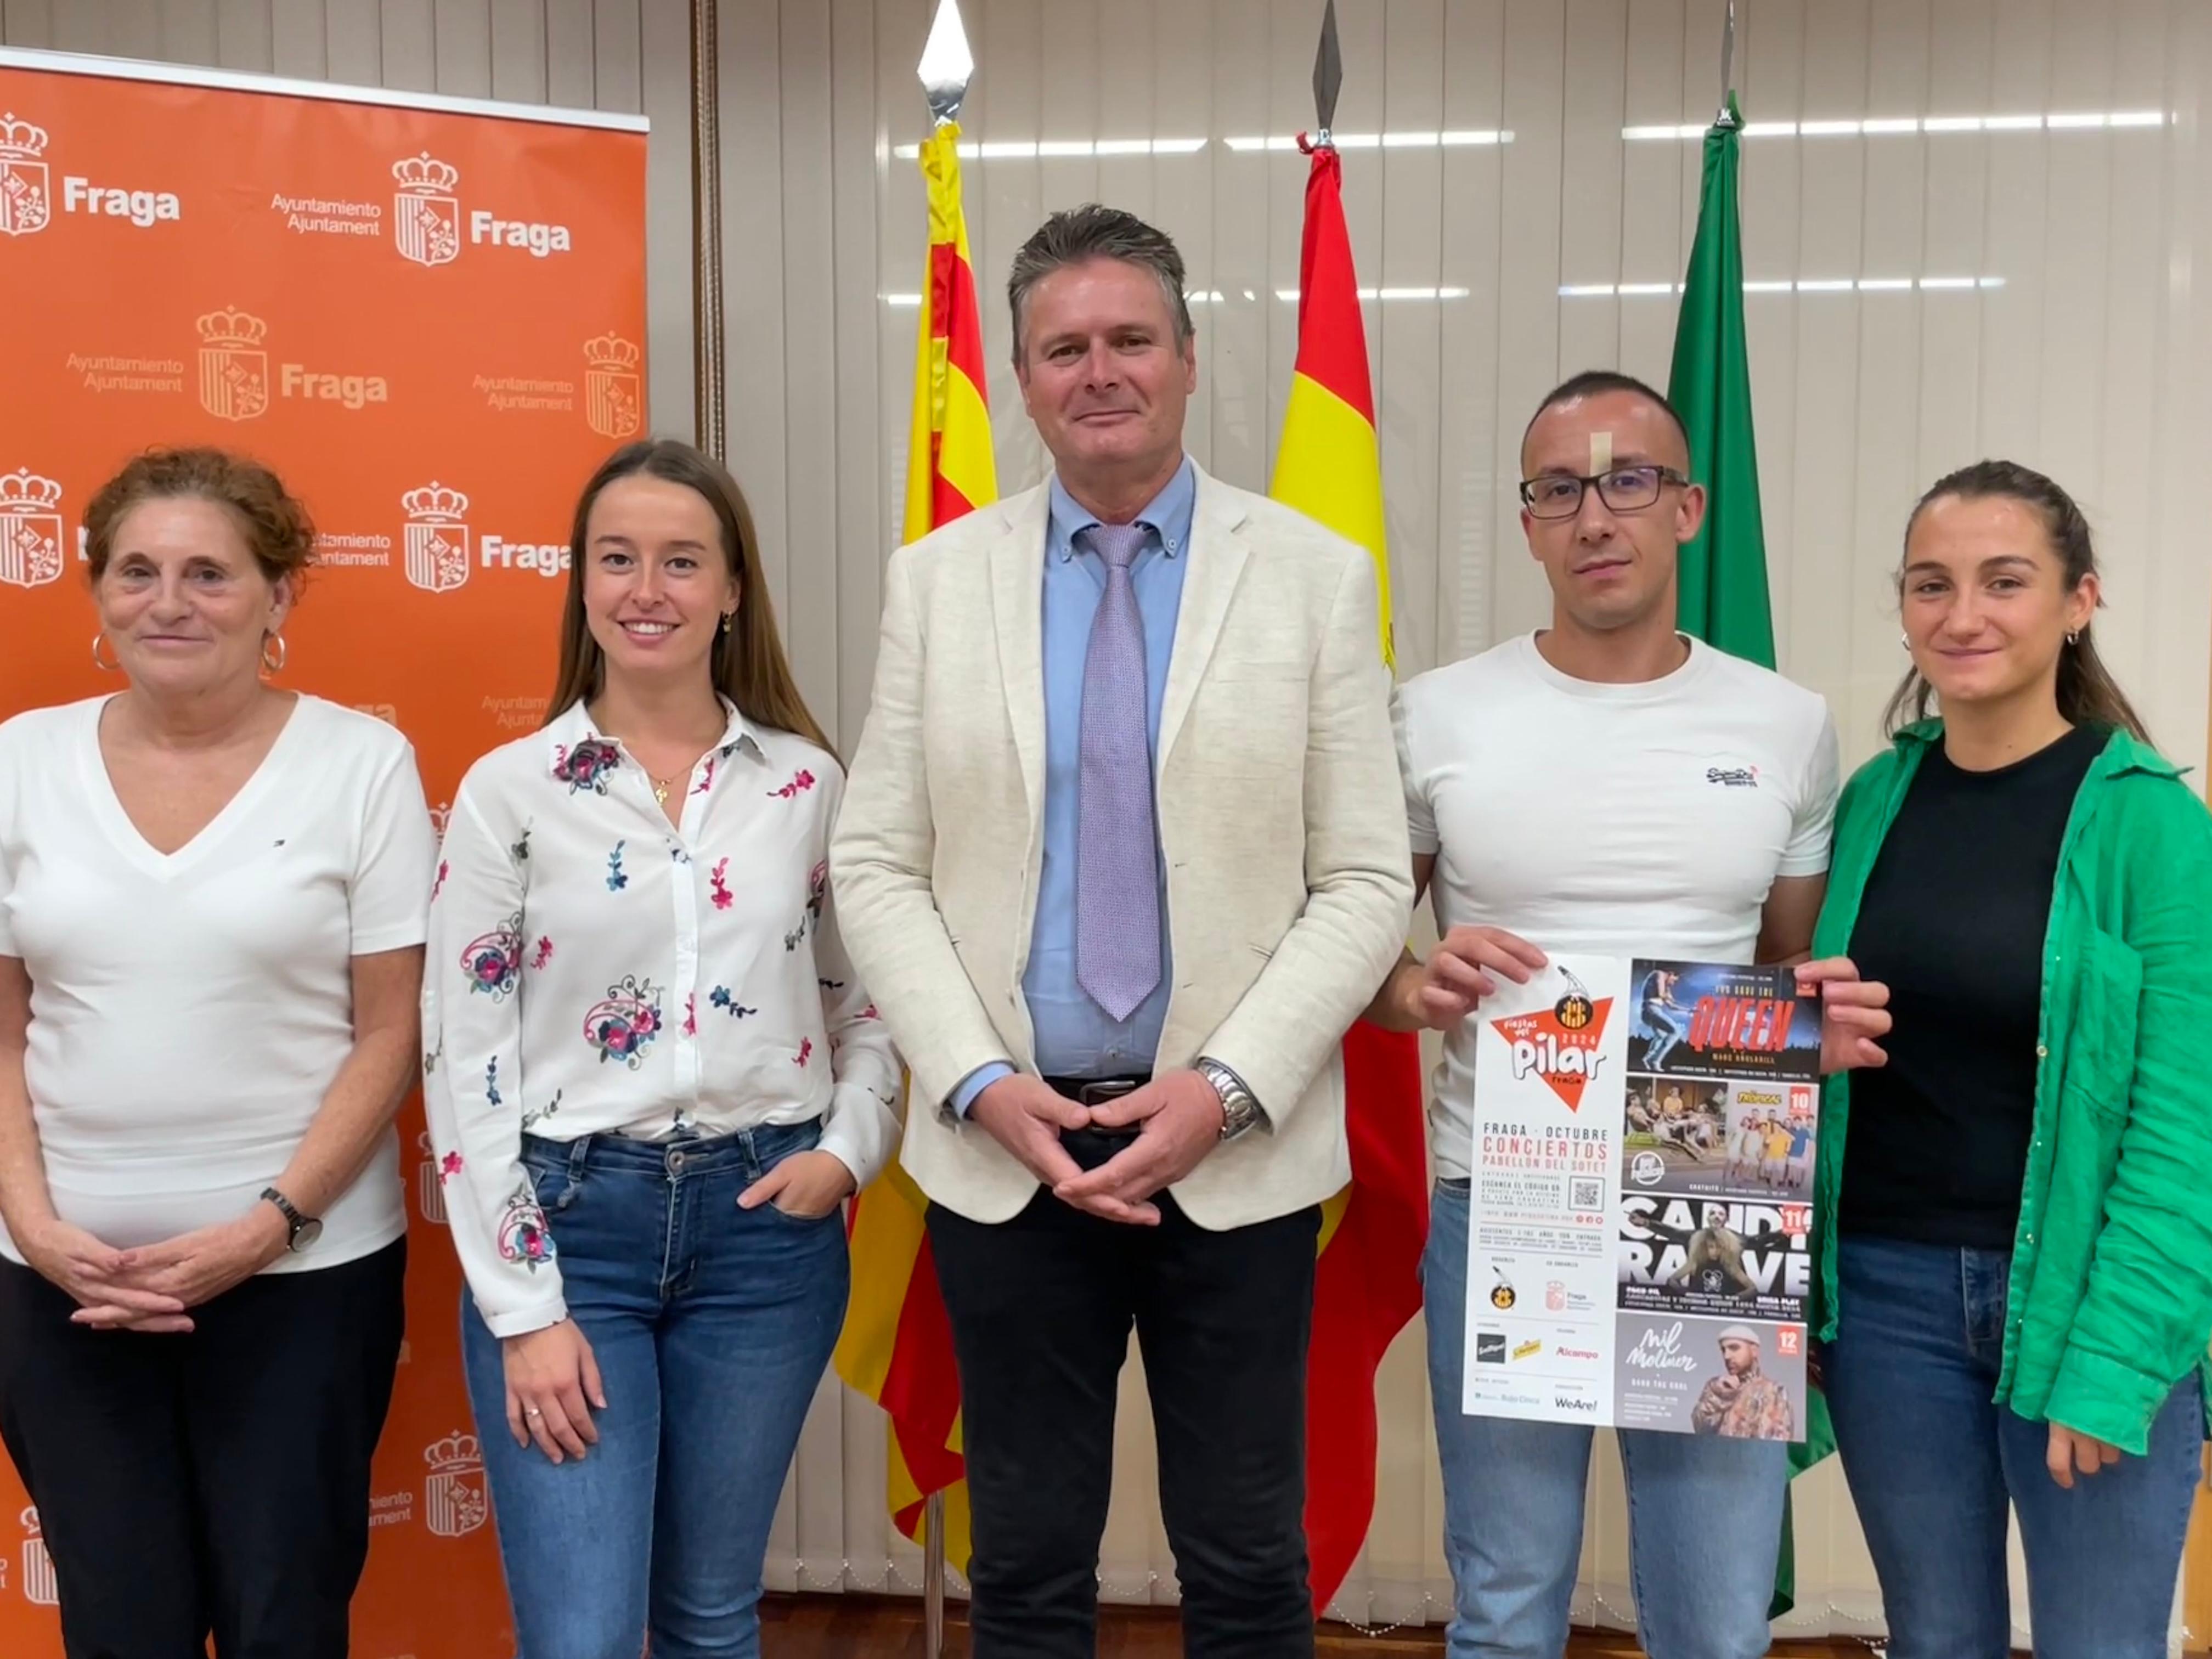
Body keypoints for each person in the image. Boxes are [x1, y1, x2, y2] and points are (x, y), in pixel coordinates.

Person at [830, 204, 1412, 1658]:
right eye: (1064, 347)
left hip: (1238, 1145)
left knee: (1244, 1561)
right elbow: (878, 860)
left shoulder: (1312, 577)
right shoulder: (936, 582)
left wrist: (1222, 1093)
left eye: (1131, 339)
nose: (1101, 371)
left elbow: (1364, 878)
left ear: (1190, 359)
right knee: (1024, 1567)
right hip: (1005, 1146)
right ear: (1021, 379)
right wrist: (974, 1082)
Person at [1367, 370, 1889, 1659]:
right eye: (1561, 489)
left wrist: (1825, 1013)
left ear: (1689, 509)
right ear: (1532, 523)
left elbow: (1785, 974)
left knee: (1713, 1619)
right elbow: (1368, 963)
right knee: (1505, 1599)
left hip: (1711, 1180)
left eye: (1630, 480)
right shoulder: (1437, 712)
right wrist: (1411, 986)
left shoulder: (1787, 723)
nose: (1597, 514)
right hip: (1506, 1184)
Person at [423, 439, 900, 1659]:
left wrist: (850, 1149)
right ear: (581, 586)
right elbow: (461, 1056)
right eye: (618, 559)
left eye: (683, 562)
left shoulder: (806, 786)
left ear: (734, 590)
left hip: (767, 1236)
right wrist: (526, 1310)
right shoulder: (509, 793)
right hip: (573, 1230)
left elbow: (871, 1000)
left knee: (709, 1617)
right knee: (583, 1636)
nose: (649, 589)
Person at [0, 447, 433, 1658]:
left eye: (210, 572)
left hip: (301, 1283)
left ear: (279, 596)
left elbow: (390, 1031)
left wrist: (264, 1228)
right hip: (63, 1294)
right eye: (135, 571)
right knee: (117, 1624)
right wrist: (35, 1230)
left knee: (281, 1622)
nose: (169, 601)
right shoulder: (17, 765)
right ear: (95, 594)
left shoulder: (361, 766)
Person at [1809, 460, 2212, 1659]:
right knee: (1936, 1639)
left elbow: (2184, 1124)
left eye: (2005, 581)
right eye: (1932, 585)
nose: (1963, 614)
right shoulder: (1876, 799)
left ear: (2079, 600)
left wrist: (2114, 1360)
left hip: (2089, 1302)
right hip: (1887, 1304)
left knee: (2102, 1645)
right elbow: (1840, 1033)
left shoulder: (2151, 823)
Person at [1691, 1326, 1793, 1439]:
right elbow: (1700, 1428)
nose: (1727, 1356)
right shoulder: (1716, 1387)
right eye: (1723, 1350)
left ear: (1754, 1351)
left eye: (1734, 1348)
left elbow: (1780, 1442)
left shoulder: (1775, 1391)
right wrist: (1721, 1395)